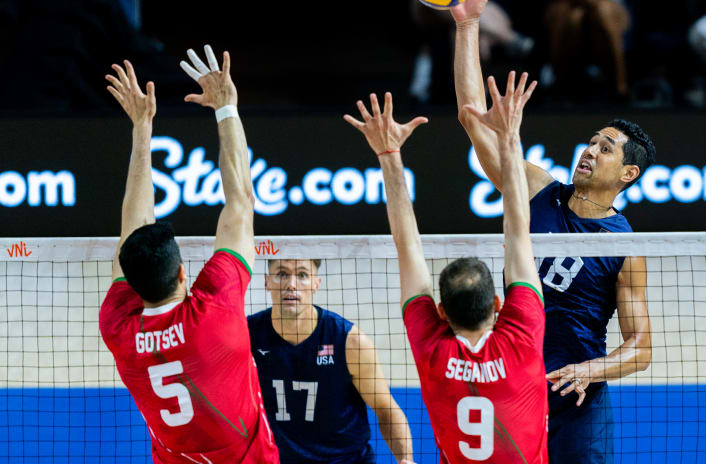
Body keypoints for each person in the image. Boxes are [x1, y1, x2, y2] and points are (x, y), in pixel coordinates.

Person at [452, 1, 653, 462]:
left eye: (606, 149)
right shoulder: (539, 190)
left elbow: (640, 346)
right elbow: (471, 118)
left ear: (627, 174)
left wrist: (590, 370)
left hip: (576, 398)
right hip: (510, 385)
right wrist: (468, 25)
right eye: (591, 142)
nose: (590, 150)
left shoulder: (625, 245)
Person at [344, 79, 548, 462]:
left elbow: (407, 247)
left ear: (440, 311)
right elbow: (519, 230)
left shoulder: (432, 349)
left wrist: (389, 154)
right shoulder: (521, 339)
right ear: (499, 305)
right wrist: (509, 136)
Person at [98, 46, 279, 463]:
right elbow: (241, 201)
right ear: (184, 274)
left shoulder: (118, 327)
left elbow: (135, 228)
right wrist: (226, 109)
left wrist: (141, 130)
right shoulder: (212, 311)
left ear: (129, 282)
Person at [247, 258, 416, 464]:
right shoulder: (246, 335)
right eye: (282, 274)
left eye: (302, 275)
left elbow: (386, 410)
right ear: (267, 282)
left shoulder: (350, 342)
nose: (291, 285)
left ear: (315, 284)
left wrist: (406, 460)